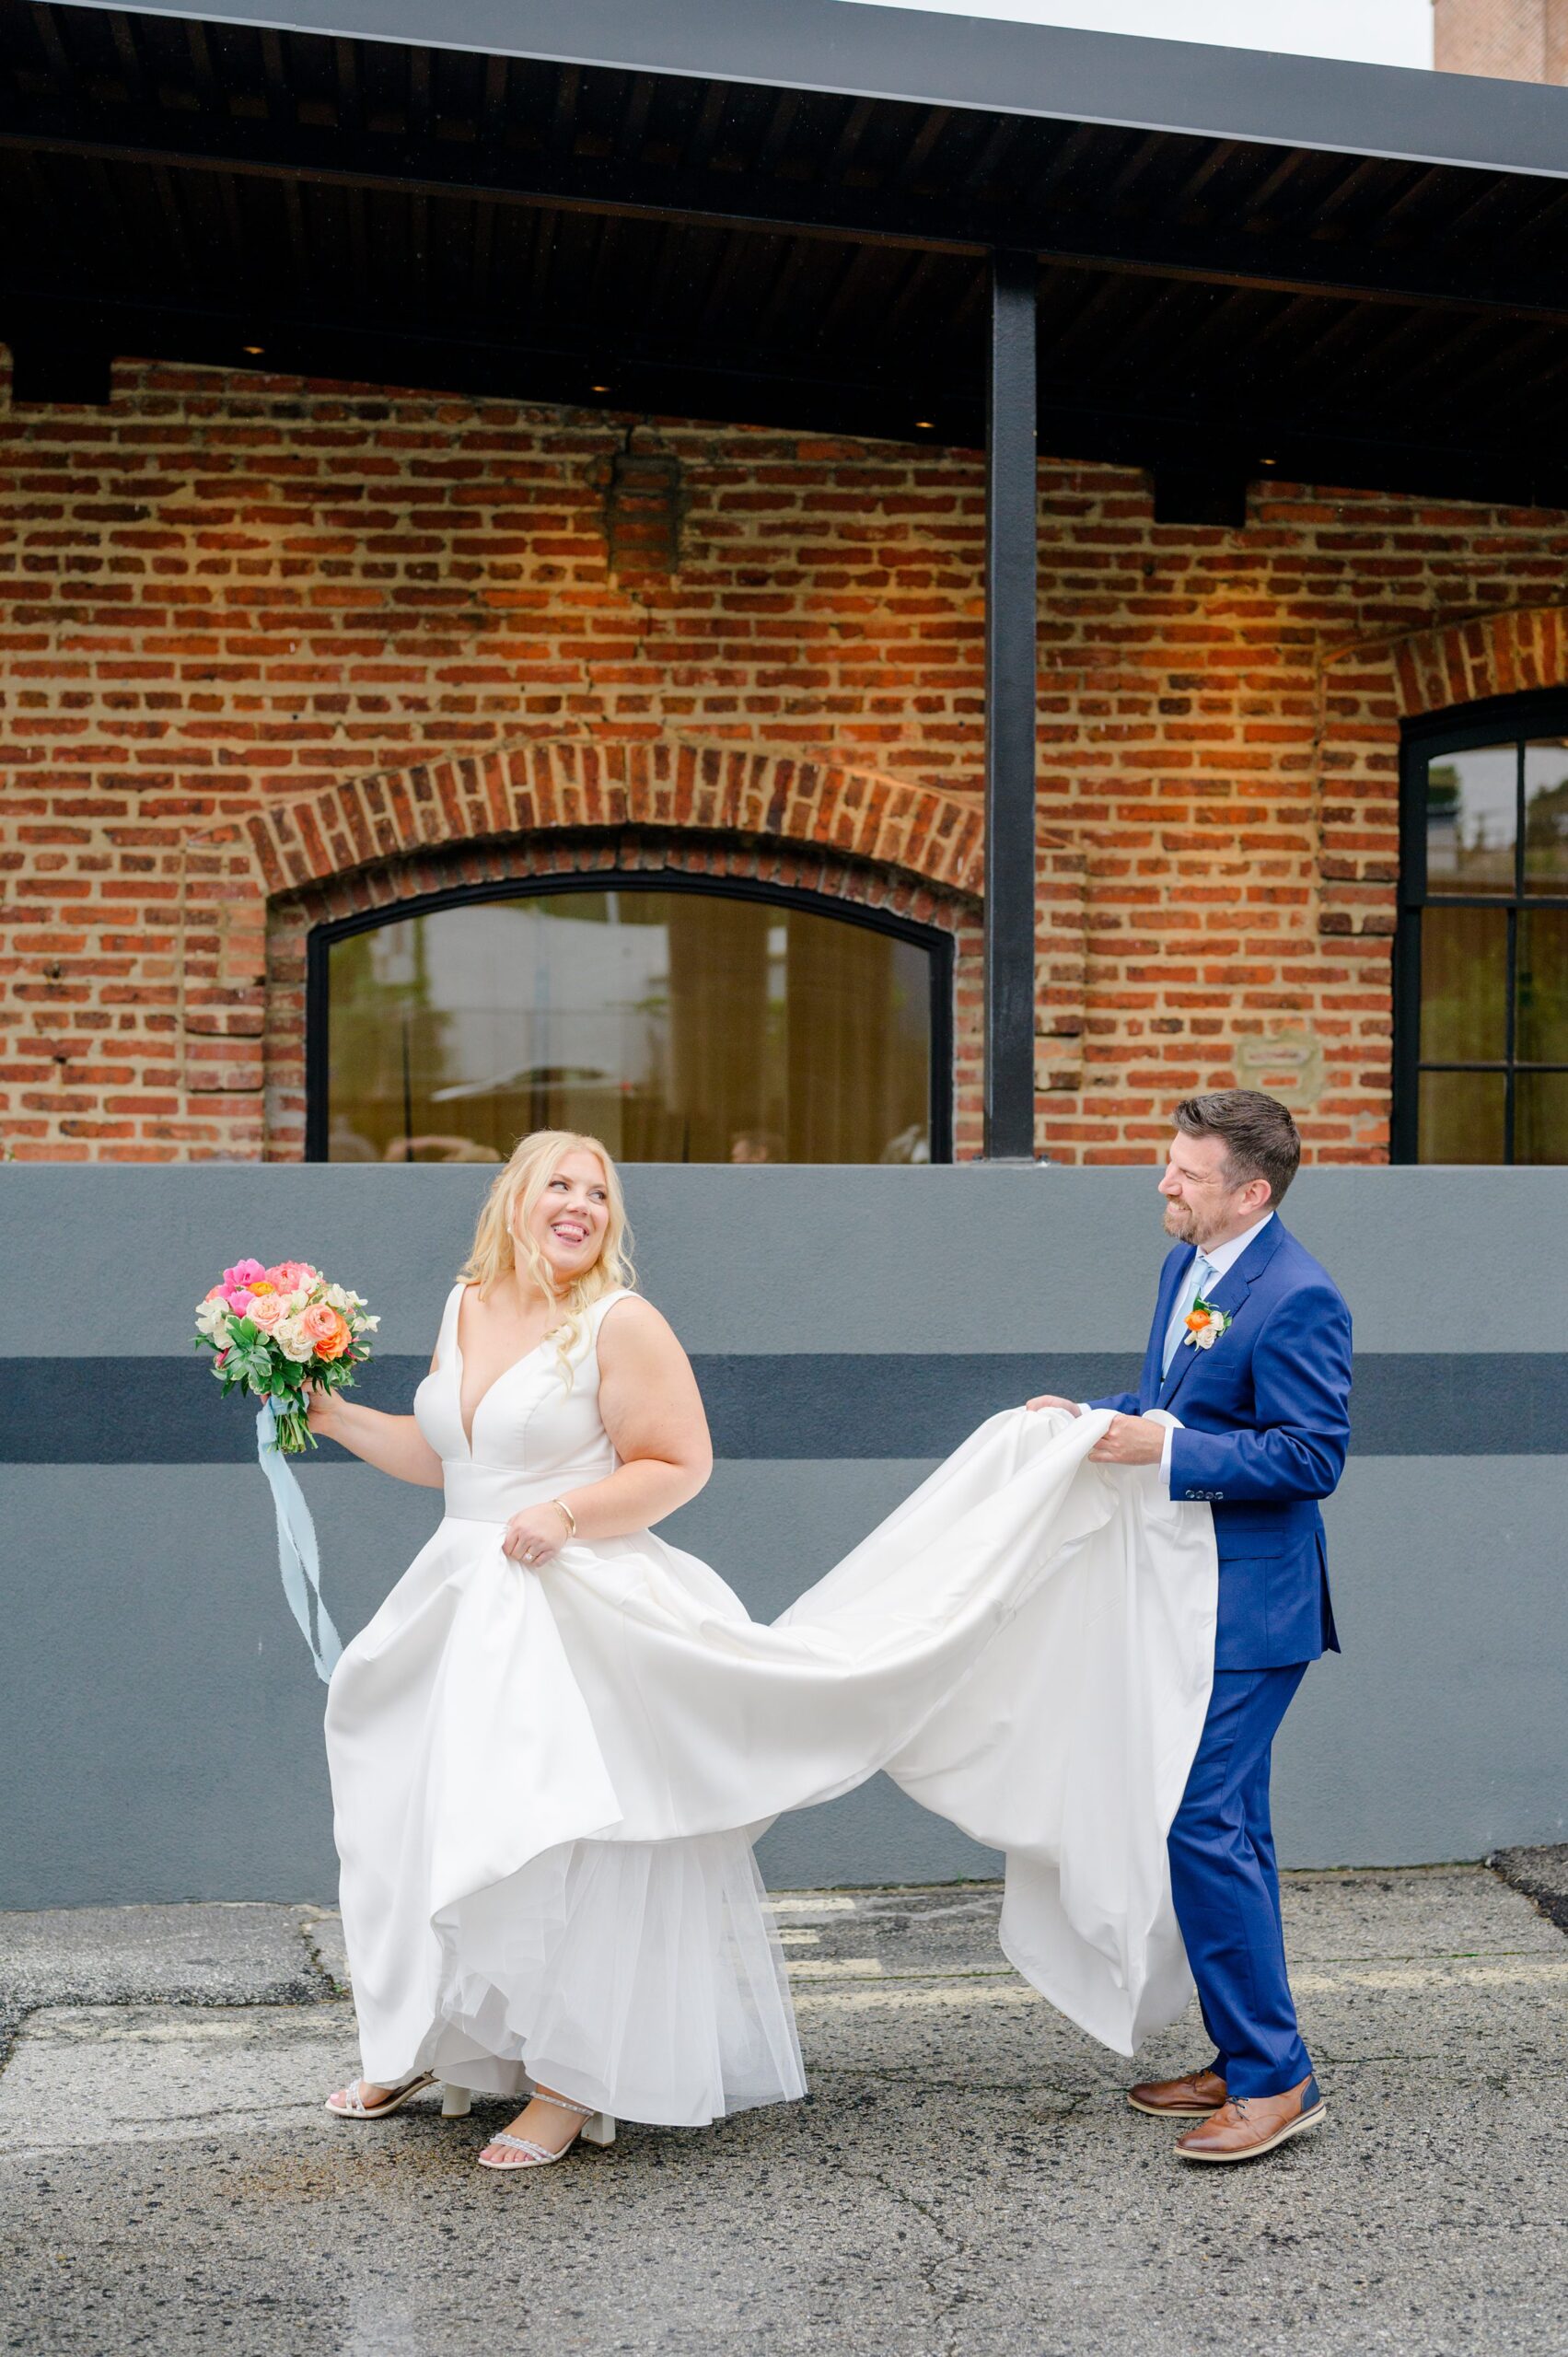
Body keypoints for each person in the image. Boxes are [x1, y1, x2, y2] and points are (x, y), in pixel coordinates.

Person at [312, 1128, 1220, 2177]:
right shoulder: (465, 1305)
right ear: (512, 1198)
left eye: (598, 1194)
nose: (580, 1206)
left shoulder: (618, 1321)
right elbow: (449, 1456)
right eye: (559, 1185)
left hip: (575, 1605)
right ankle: (429, 2039)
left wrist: (564, 1513)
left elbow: (677, 1463)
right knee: (431, 1811)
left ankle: (570, 2080)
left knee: (583, 1836)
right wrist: (330, 1414)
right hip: (458, 1599)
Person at [1028, 1090, 1351, 2164]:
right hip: (1182, 1594)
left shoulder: (1299, 1295)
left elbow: (1309, 1455)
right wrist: (1092, 1419)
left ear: (1248, 1192)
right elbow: (1176, 1401)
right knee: (1231, 1830)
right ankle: (1243, 2051)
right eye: (1167, 1162)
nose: (1162, 1182)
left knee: (1197, 1822)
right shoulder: (1188, 1267)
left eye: (1185, 1170)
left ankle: (1274, 2078)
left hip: (1252, 1609)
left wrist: (1159, 1453)